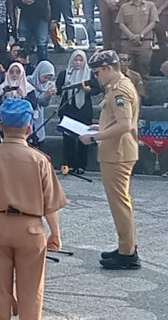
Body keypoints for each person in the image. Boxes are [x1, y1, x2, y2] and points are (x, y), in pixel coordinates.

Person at [0, 98, 67, 320]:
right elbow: (50, 204)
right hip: (30, 228)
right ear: (29, 127)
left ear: (0, 126)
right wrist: (55, 234)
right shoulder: (40, 160)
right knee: (31, 291)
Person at [80, 50, 141, 270]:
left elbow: (124, 125)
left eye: (97, 72)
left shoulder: (119, 90)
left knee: (120, 204)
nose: (97, 77)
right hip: (118, 151)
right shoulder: (118, 86)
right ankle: (126, 245)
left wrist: (96, 136)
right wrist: (101, 127)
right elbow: (119, 121)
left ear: (107, 69)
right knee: (120, 202)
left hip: (118, 153)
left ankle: (127, 253)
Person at [56, 50, 101, 175]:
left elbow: (97, 89)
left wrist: (88, 90)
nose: (78, 62)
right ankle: (69, 164)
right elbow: (58, 90)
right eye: (76, 60)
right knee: (68, 139)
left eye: (81, 60)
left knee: (83, 138)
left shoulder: (89, 73)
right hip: (68, 109)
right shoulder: (65, 73)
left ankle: (81, 165)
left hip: (83, 110)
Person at [116, 0, 159, 77]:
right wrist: (131, 36)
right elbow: (121, 24)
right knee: (127, 71)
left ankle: (144, 91)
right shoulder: (124, 7)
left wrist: (140, 35)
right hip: (128, 43)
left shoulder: (150, 6)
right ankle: (128, 91)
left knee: (144, 70)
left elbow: (153, 22)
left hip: (144, 43)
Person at [28, 61, 56, 147]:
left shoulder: (48, 85)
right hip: (28, 116)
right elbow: (31, 101)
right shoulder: (28, 81)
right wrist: (44, 95)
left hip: (39, 116)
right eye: (45, 77)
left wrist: (49, 96)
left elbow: (44, 104)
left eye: (49, 78)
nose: (46, 80)